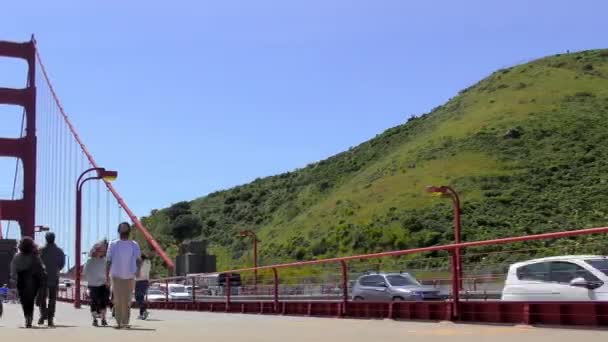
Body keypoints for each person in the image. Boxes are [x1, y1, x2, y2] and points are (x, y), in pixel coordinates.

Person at [106, 222, 141, 329]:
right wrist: (106, 274)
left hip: (130, 275)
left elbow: (138, 259)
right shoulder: (113, 243)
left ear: (128, 230)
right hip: (116, 275)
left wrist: (138, 270)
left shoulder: (134, 244)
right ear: (119, 230)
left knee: (127, 300)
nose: (124, 230)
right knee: (117, 300)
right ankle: (118, 322)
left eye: (125, 228)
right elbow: (108, 260)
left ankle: (125, 322)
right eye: (122, 228)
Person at [10, 237, 46, 328]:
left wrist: (14, 278)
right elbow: (41, 269)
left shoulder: (17, 257)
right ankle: (30, 317)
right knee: (30, 300)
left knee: (24, 301)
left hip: (21, 280)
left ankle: (27, 317)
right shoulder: (34, 256)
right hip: (33, 280)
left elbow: (13, 269)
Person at [38, 232, 65, 327]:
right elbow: (62, 264)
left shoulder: (40, 250)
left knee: (42, 297)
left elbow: (36, 263)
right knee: (52, 298)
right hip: (54, 276)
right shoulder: (59, 251)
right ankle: (50, 319)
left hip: (42, 276)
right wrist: (56, 269)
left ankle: (43, 314)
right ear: (54, 238)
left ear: (46, 239)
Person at [84, 240, 111, 327]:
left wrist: (108, 281)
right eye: (99, 250)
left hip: (103, 284)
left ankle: (103, 319)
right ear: (95, 250)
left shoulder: (104, 260)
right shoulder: (89, 261)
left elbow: (108, 272)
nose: (101, 252)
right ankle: (95, 319)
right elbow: (85, 273)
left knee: (103, 302)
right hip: (93, 285)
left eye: (102, 251)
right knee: (94, 302)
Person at [135, 253, 151, 320]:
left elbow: (137, 272)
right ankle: (141, 314)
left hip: (140, 281)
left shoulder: (140, 262)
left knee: (138, 297)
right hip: (146, 281)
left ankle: (144, 310)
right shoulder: (148, 262)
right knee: (141, 297)